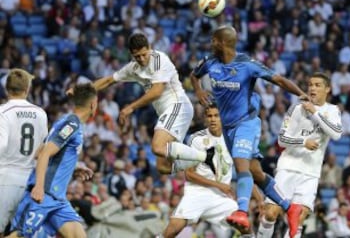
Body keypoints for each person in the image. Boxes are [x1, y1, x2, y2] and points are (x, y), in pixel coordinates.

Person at [190, 25, 306, 237]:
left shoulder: (247, 64)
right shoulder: (209, 62)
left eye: (214, 40)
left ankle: (241, 212)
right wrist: (198, 90)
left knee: (241, 166)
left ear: (224, 43)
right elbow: (194, 75)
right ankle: (291, 208)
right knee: (256, 173)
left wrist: (301, 94)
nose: (211, 43)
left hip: (247, 123)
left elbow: (278, 79)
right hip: (228, 127)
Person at [84, 32, 216, 174]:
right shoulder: (133, 68)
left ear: (150, 48)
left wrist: (130, 107)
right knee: (163, 168)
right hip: (167, 112)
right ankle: (204, 158)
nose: (141, 59)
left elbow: (156, 91)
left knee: (157, 147)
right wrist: (82, 90)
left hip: (178, 106)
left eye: (144, 54)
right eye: (137, 56)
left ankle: (207, 155)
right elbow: (109, 80)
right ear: (131, 54)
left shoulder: (160, 60)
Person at [257, 73, 343, 238]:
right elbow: (281, 139)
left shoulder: (333, 110)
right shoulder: (296, 108)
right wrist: (303, 142)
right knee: (270, 213)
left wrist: (315, 113)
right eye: (310, 84)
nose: (312, 88)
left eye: (318, 85)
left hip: (311, 172)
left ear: (328, 89)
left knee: (298, 219)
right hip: (288, 167)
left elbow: (336, 134)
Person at [7, 83, 97, 238]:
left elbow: (42, 151)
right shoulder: (71, 124)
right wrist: (39, 187)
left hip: (58, 199)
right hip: (45, 195)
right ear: (93, 104)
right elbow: (44, 154)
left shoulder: (68, 122)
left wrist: (71, 171)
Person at [161, 103, 237, 238]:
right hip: (198, 192)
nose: (213, 119)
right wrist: (220, 185)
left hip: (221, 197)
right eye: (209, 116)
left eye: (216, 116)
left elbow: (245, 170)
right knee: (173, 229)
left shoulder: (232, 138)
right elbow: (189, 174)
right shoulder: (196, 139)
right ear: (205, 119)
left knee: (244, 224)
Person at [0, 69, 48, 238]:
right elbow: (41, 151)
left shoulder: (2, 112)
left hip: (5, 179)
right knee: (20, 234)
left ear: (6, 89)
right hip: (29, 182)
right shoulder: (40, 113)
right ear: (27, 89)